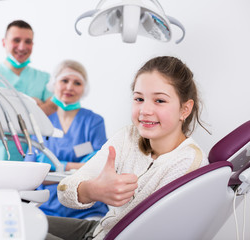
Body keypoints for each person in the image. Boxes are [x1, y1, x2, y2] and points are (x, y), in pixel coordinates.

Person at [45, 56, 210, 240]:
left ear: (185, 109)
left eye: (160, 101)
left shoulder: (188, 162)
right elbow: (64, 190)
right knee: (22, 222)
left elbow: (146, 231)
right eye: (139, 98)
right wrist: (92, 190)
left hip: (111, 236)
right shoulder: (128, 136)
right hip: (99, 229)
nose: (145, 110)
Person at [24, 59, 109, 219]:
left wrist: (56, 167)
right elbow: (30, 168)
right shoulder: (40, 122)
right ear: (53, 84)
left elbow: (99, 165)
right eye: (64, 80)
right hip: (45, 207)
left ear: (84, 88)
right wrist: (76, 167)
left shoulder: (94, 121)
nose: (70, 87)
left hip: (87, 208)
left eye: (77, 82)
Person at [0, 20, 57, 161]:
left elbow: (53, 107)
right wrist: (33, 105)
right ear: (4, 42)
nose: (22, 47)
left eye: (28, 41)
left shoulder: (43, 78)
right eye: (16, 40)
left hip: (32, 154)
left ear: (32, 45)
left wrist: (7, 106)